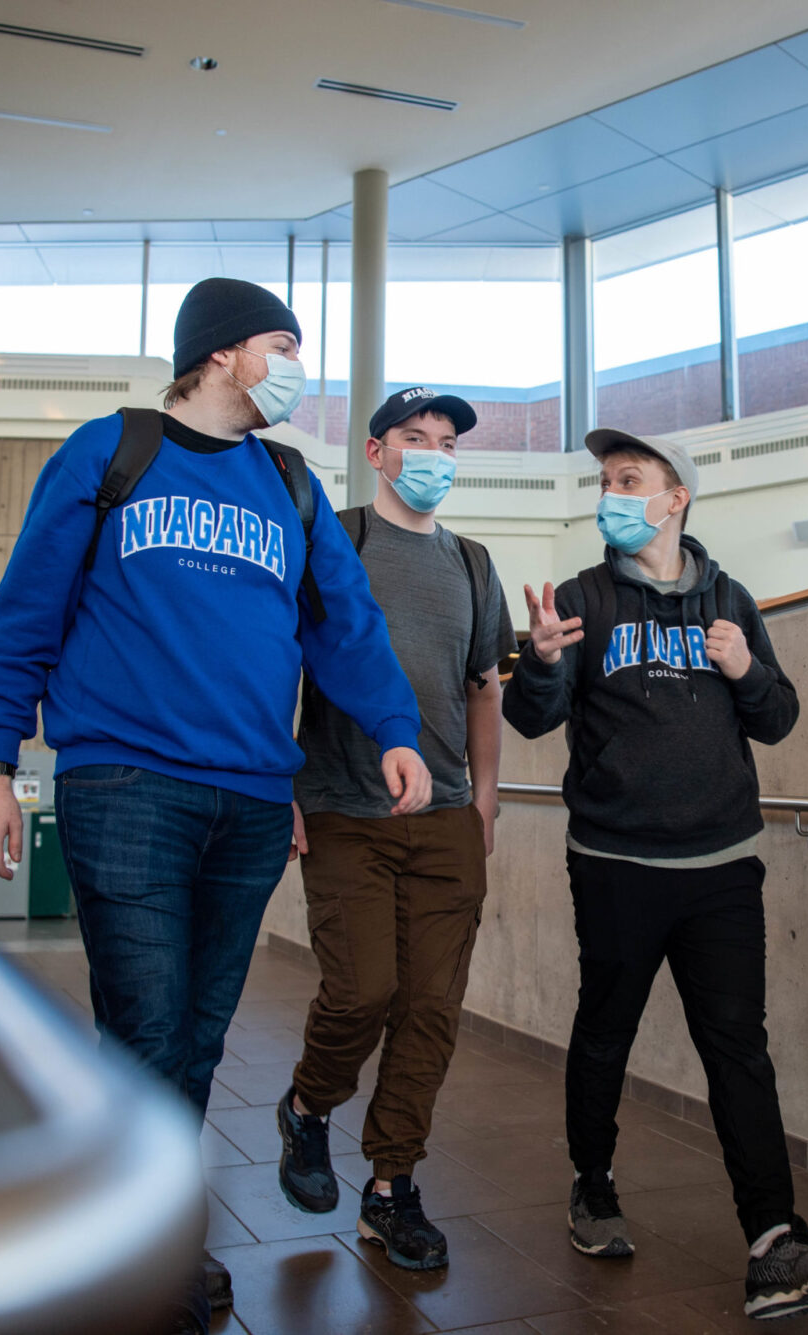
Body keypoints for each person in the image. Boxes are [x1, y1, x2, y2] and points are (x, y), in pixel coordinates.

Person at [0, 278, 431, 1334]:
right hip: (125, 785)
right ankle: (148, 1256)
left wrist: (394, 728)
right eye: (283, 344)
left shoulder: (289, 482)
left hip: (252, 803)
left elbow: (346, 626)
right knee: (146, 1027)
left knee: (197, 1036)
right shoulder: (113, 451)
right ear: (221, 352)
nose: (297, 367)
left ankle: (141, 1229)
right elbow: (28, 609)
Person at [502, 429, 808, 1320]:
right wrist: (543, 663)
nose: (611, 492)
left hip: (722, 867)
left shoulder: (730, 599)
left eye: (629, 478)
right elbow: (529, 718)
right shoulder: (581, 598)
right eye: (605, 480)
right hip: (616, 864)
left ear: (676, 499)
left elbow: (778, 717)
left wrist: (746, 670)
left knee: (739, 1049)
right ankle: (593, 1186)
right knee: (606, 1032)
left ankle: (774, 1242)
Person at [276, 386, 517, 1272]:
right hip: (344, 807)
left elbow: (483, 688)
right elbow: (280, 658)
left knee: (430, 1010)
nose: (434, 454)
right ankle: (309, 1106)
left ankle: (391, 1187)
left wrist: (485, 798)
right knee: (361, 991)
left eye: (447, 441)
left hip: (447, 817)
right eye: (415, 437)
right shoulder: (333, 539)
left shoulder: (473, 563)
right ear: (375, 452)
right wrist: (280, 780)